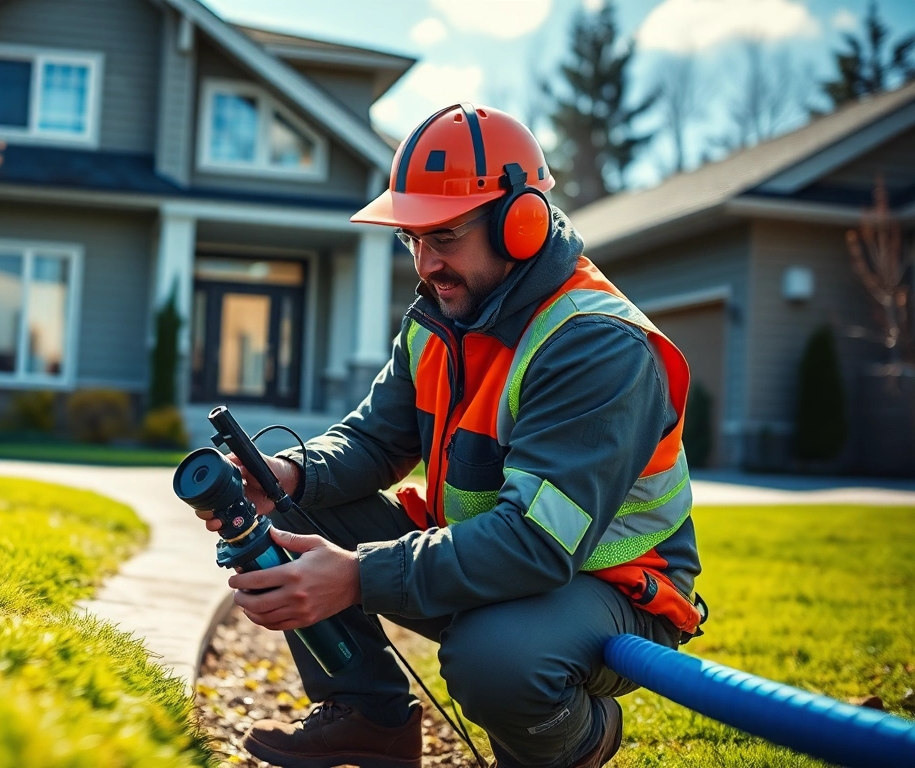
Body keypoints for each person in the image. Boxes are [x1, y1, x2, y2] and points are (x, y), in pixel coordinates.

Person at [194, 104, 705, 768]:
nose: (425, 263)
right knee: (293, 506)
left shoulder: (595, 344)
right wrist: (286, 474)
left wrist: (355, 576)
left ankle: (578, 742)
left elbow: (537, 544)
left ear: (519, 224)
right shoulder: (440, 319)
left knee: (495, 659)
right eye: (411, 238)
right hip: (506, 562)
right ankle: (371, 719)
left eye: (445, 235)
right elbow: (375, 443)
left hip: (612, 587)